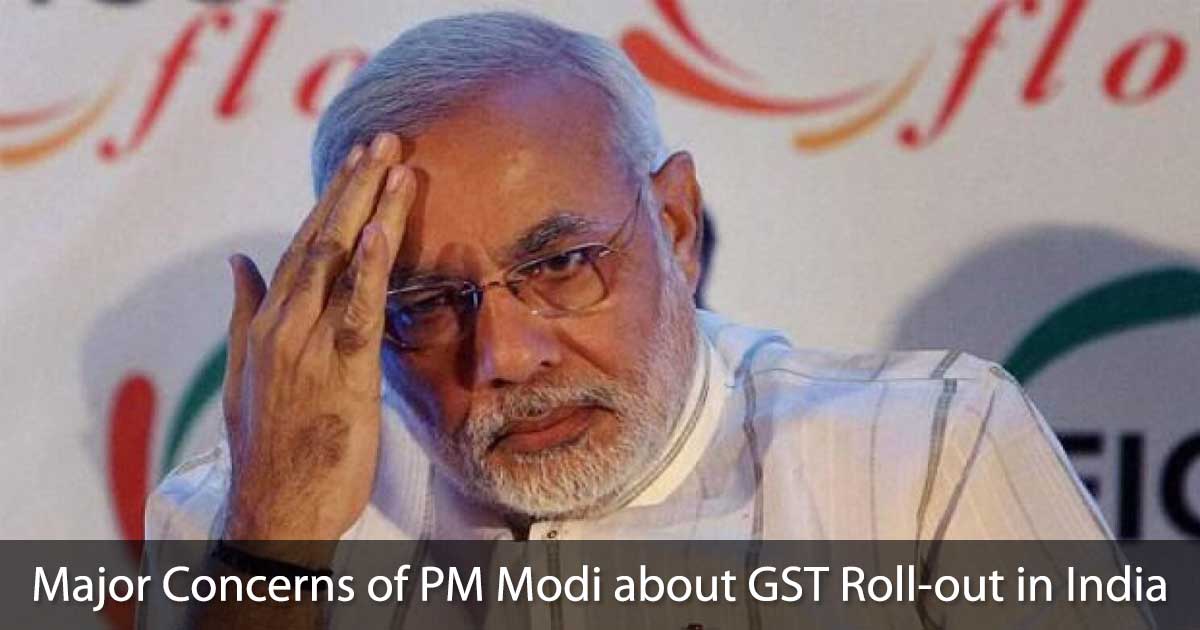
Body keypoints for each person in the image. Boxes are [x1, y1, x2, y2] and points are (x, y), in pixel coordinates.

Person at [147, 9, 1113, 552]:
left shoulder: (926, 455)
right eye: (429, 304)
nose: (504, 356)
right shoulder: (237, 518)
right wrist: (274, 544)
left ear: (677, 225)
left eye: (560, 264)